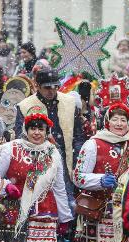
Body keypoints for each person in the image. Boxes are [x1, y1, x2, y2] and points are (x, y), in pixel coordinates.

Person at [0, 105, 73, 242]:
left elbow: (59, 187)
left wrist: (64, 217)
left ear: (47, 132)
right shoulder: (11, 148)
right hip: (14, 213)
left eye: (41, 129)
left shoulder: (53, 153)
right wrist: (7, 186)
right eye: (33, 128)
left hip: (44, 216)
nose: (37, 132)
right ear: (26, 130)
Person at [15, 69, 85, 207]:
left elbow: (78, 136)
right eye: (47, 87)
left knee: (67, 203)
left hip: (65, 160)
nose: (51, 91)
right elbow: (20, 137)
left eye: (55, 87)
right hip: (37, 162)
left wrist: (78, 159)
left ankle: (66, 228)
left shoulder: (70, 103)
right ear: (37, 86)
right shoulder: (25, 106)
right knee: (38, 205)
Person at [73, 103, 129, 242]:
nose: (119, 124)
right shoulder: (93, 144)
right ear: (107, 121)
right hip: (99, 212)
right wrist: (100, 180)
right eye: (115, 119)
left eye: (123, 120)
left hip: (124, 213)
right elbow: (77, 177)